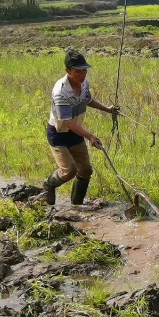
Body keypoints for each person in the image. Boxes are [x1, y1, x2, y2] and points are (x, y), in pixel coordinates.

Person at [43, 51, 118, 206]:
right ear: (68, 71)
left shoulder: (84, 83)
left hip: (75, 132)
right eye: (78, 71)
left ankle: (77, 204)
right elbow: (69, 122)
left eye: (84, 70)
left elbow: (88, 100)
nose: (82, 74)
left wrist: (108, 109)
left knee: (85, 170)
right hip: (59, 134)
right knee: (69, 171)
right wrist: (90, 136)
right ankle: (49, 185)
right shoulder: (61, 92)